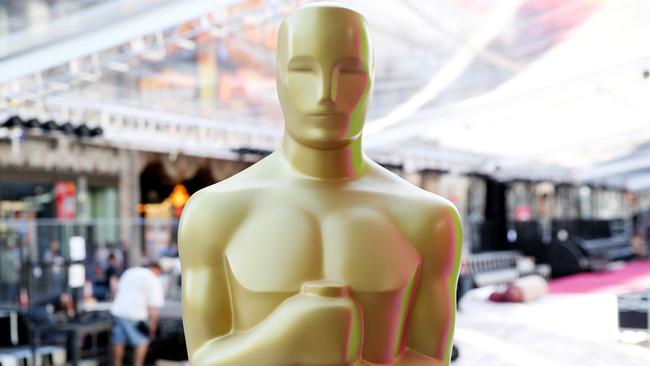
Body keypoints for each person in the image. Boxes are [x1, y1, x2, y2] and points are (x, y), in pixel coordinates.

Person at [179, 4, 462, 366]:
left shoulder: (429, 219)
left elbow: (431, 358)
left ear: (372, 79)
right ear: (278, 78)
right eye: (303, 70)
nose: (325, 92)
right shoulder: (213, 213)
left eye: (348, 72)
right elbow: (203, 358)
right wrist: (285, 337)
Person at [110, 262, 164, 366]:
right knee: (142, 342)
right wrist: (153, 326)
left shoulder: (130, 271)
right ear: (156, 269)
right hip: (136, 315)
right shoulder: (153, 279)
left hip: (119, 311)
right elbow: (154, 307)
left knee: (119, 342)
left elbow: (116, 290)